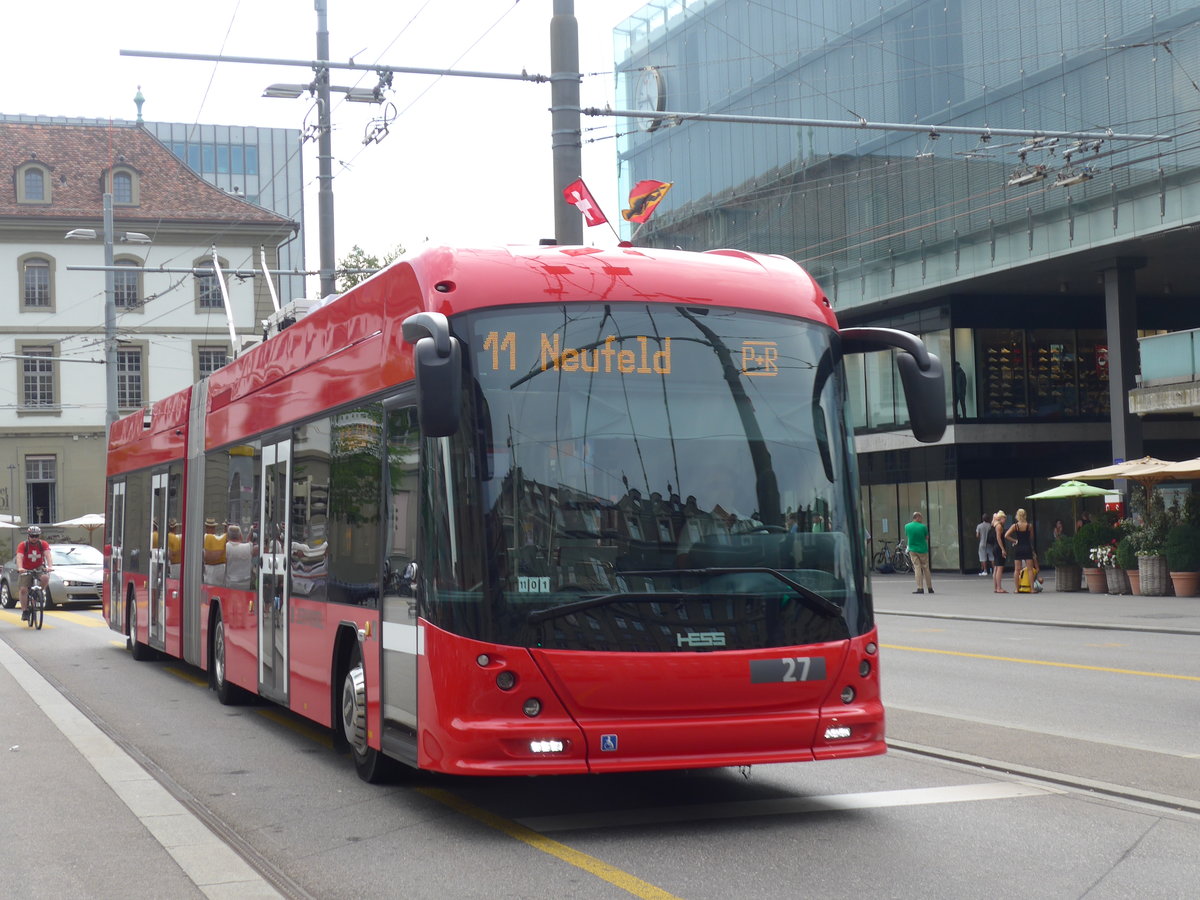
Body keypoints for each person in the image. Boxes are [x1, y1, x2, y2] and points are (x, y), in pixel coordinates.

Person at [16, 525, 53, 622]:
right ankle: (25, 611)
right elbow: (19, 557)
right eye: (32, 536)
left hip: (38, 567)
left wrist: (50, 566)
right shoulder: (23, 545)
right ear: (28, 536)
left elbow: (48, 555)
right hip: (26, 569)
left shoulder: (43, 544)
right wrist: (20, 568)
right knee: (23, 589)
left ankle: (39, 592)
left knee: (45, 578)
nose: (34, 538)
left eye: (36, 536)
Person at [1006, 508, 1036, 589]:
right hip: (1027, 546)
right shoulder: (1029, 526)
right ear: (1025, 515)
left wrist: (1015, 540)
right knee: (1030, 569)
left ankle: (1017, 589)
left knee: (1017, 569)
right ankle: (1032, 589)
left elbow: (1006, 535)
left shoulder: (1015, 526)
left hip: (1019, 547)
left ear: (1017, 516)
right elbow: (1031, 537)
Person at [904, 511, 933, 594]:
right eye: (921, 517)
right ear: (917, 517)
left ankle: (920, 588)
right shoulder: (923, 527)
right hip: (923, 549)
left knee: (917, 567)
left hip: (912, 549)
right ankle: (930, 587)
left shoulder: (907, 526)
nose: (921, 519)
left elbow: (908, 535)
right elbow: (926, 537)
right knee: (926, 568)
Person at [990, 510, 1009, 593]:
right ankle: (999, 587)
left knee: (996, 568)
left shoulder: (994, 524)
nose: (1005, 520)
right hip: (998, 547)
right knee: (1000, 568)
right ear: (1000, 518)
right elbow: (999, 538)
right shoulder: (999, 526)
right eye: (1004, 518)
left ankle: (996, 587)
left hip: (995, 547)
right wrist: (1003, 549)